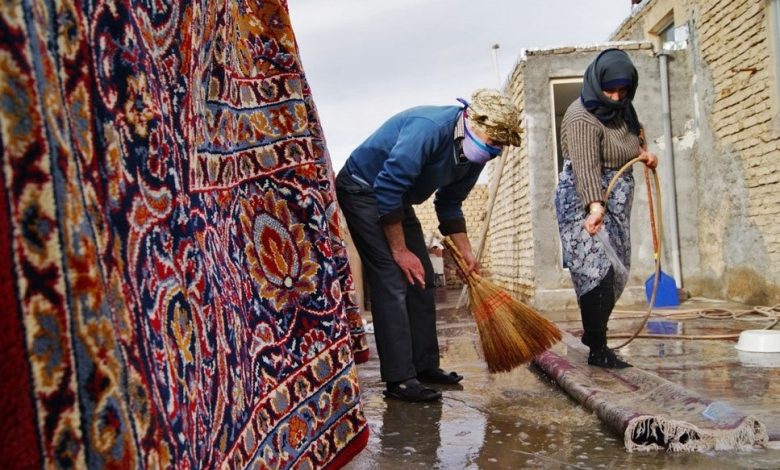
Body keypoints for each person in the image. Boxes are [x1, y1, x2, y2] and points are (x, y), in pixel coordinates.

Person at [336, 89, 521, 401]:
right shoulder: (428, 130)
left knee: (421, 279)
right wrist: (398, 250)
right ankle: (399, 380)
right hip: (363, 189)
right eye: (493, 143)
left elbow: (449, 203)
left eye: (500, 147)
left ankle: (424, 367)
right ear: (472, 123)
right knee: (392, 279)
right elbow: (387, 186)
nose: (495, 151)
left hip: (398, 198)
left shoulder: (475, 155)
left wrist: (465, 251)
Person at [555, 48, 658, 369]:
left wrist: (644, 153)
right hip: (582, 198)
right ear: (597, 84)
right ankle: (598, 348)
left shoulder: (625, 108)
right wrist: (594, 207)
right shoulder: (580, 116)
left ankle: (593, 331)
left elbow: (633, 139)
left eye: (622, 90)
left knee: (617, 271)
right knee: (595, 269)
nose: (615, 96)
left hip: (617, 197)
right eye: (610, 90)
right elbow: (585, 167)